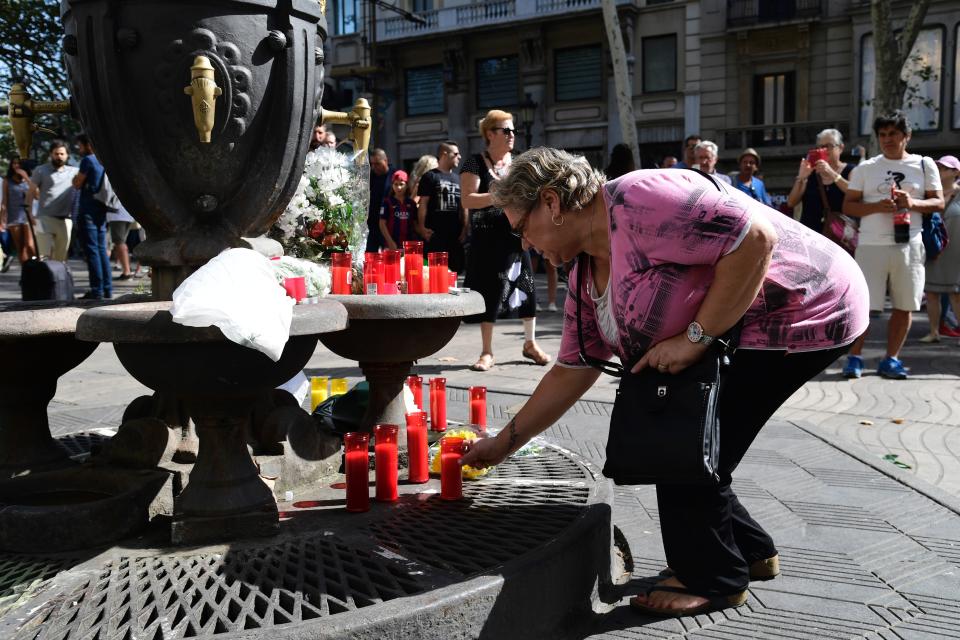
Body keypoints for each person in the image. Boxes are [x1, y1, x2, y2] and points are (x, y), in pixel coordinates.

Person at [460, 147, 869, 617]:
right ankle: (752, 552)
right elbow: (572, 368)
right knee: (693, 443)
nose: (525, 244)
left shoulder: (640, 200)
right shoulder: (583, 272)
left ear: (551, 202)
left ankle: (715, 578)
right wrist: (502, 445)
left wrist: (696, 338)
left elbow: (756, 238)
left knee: (683, 446)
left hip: (809, 306)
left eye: (521, 228)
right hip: (747, 324)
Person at [841, 111, 944, 379]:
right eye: (883, 134)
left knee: (905, 304)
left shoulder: (924, 165)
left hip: (909, 244)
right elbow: (848, 205)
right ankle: (854, 358)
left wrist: (912, 204)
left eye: (893, 134)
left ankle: (892, 359)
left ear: (906, 136)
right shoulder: (865, 167)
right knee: (863, 305)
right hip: (870, 245)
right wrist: (876, 206)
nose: (887, 139)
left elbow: (938, 203)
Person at [461, 111, 549, 372]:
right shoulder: (474, 162)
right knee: (490, 291)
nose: (512, 135)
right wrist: (498, 194)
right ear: (490, 133)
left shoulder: (519, 162)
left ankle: (530, 343)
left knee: (526, 288)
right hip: (487, 238)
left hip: (517, 236)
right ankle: (487, 352)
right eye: (506, 130)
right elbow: (467, 199)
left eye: (513, 131)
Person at [919, 155, 960, 342]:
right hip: (934, 247)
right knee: (932, 292)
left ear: (955, 172)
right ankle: (934, 332)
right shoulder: (930, 193)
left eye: (944, 167)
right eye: (938, 167)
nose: (940, 170)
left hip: (956, 251)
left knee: (955, 293)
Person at [786, 128, 855, 234]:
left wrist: (831, 173)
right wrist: (801, 177)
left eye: (829, 146)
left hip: (838, 237)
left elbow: (855, 193)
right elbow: (791, 202)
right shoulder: (811, 172)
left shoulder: (850, 170)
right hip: (810, 236)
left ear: (841, 148)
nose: (824, 150)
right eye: (820, 147)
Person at [73, 133, 113, 300]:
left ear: (88, 144)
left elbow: (77, 183)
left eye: (80, 145)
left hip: (88, 209)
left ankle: (96, 290)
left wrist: (76, 178)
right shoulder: (104, 159)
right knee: (102, 249)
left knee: (92, 251)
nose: (79, 148)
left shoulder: (88, 160)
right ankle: (107, 289)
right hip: (102, 208)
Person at [416, 140, 466, 273]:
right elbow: (423, 204)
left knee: (455, 272)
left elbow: (464, 206)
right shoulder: (429, 176)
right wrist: (422, 227)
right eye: (456, 154)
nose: (459, 157)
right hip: (435, 235)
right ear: (444, 154)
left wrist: (465, 228)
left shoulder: (459, 179)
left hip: (455, 236)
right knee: (434, 272)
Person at [30, 140, 79, 262]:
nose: (59, 157)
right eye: (56, 154)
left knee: (61, 258)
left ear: (67, 155)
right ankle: (43, 280)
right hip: (44, 218)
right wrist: (29, 212)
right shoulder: (40, 170)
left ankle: (59, 280)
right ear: (51, 154)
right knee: (43, 257)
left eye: (62, 154)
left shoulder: (75, 172)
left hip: (65, 220)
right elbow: (31, 192)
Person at [1, 156, 36, 264]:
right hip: (14, 216)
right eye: (14, 163)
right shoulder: (7, 180)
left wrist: (26, 177)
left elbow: (38, 195)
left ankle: (37, 268)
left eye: (18, 164)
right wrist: (2, 219)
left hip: (28, 216)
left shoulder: (30, 179)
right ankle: (26, 273)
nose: (16, 166)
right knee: (20, 247)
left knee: (30, 245)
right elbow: (4, 201)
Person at [379, 170, 419, 250]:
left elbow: (415, 225)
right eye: (395, 184)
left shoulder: (411, 204)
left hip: (408, 246)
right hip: (391, 246)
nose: (398, 187)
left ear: (407, 185)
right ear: (392, 185)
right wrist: (390, 242)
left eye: (401, 184)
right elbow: (382, 224)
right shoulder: (387, 202)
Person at [367, 148, 393, 251]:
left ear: (385, 161)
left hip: (389, 223)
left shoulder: (394, 175)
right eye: (372, 164)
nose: (374, 167)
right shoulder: (370, 176)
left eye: (377, 164)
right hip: (372, 223)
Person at [108, 202, 136, 279]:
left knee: (119, 243)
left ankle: (127, 272)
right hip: (125, 214)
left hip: (118, 215)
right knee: (121, 243)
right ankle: (127, 270)